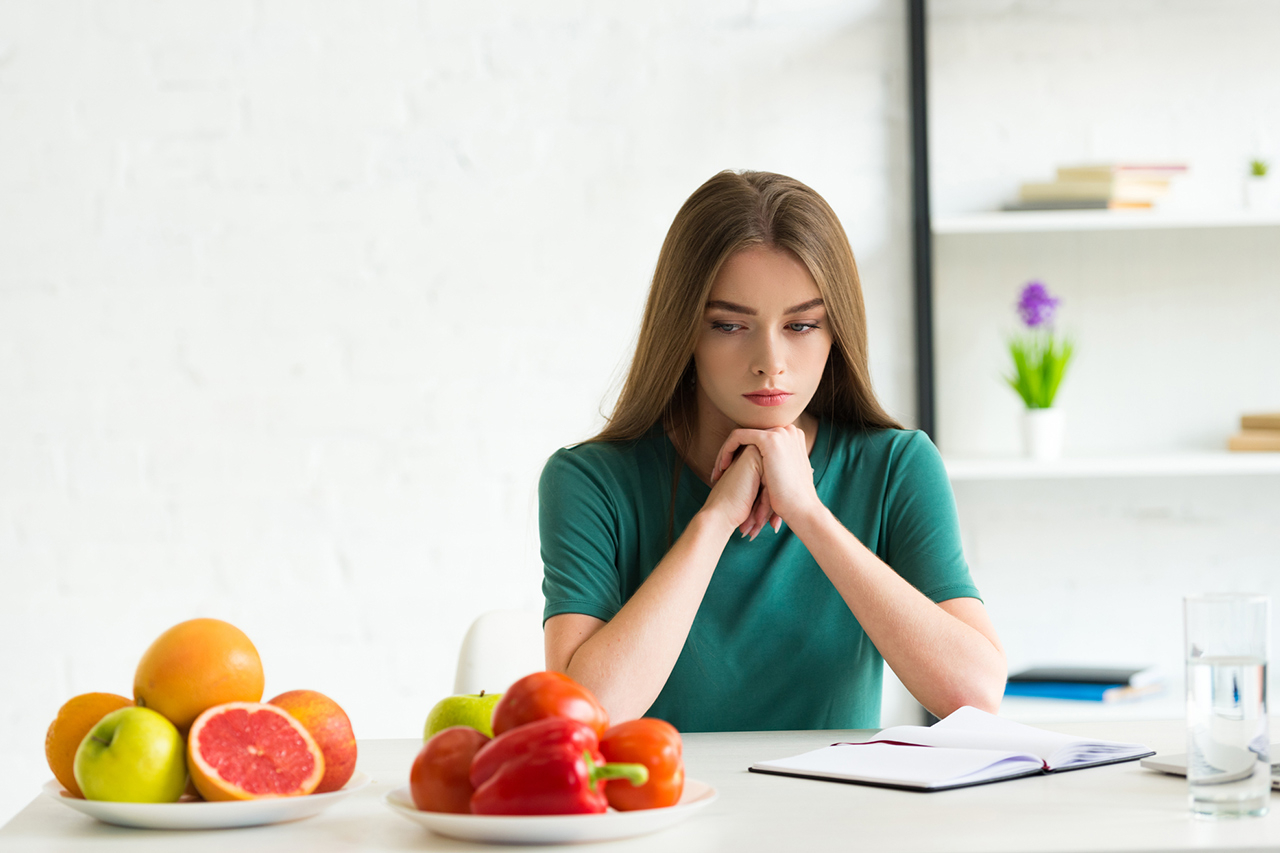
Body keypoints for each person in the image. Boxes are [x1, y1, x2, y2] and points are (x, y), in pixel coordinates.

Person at [539, 170, 1005, 732]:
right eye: (731, 325)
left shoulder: (895, 467)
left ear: (836, 333)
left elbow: (976, 693)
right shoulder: (590, 481)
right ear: (684, 330)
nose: (771, 361)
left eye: (802, 324)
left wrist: (808, 511)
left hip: (835, 815)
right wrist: (714, 519)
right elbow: (584, 716)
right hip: (662, 811)